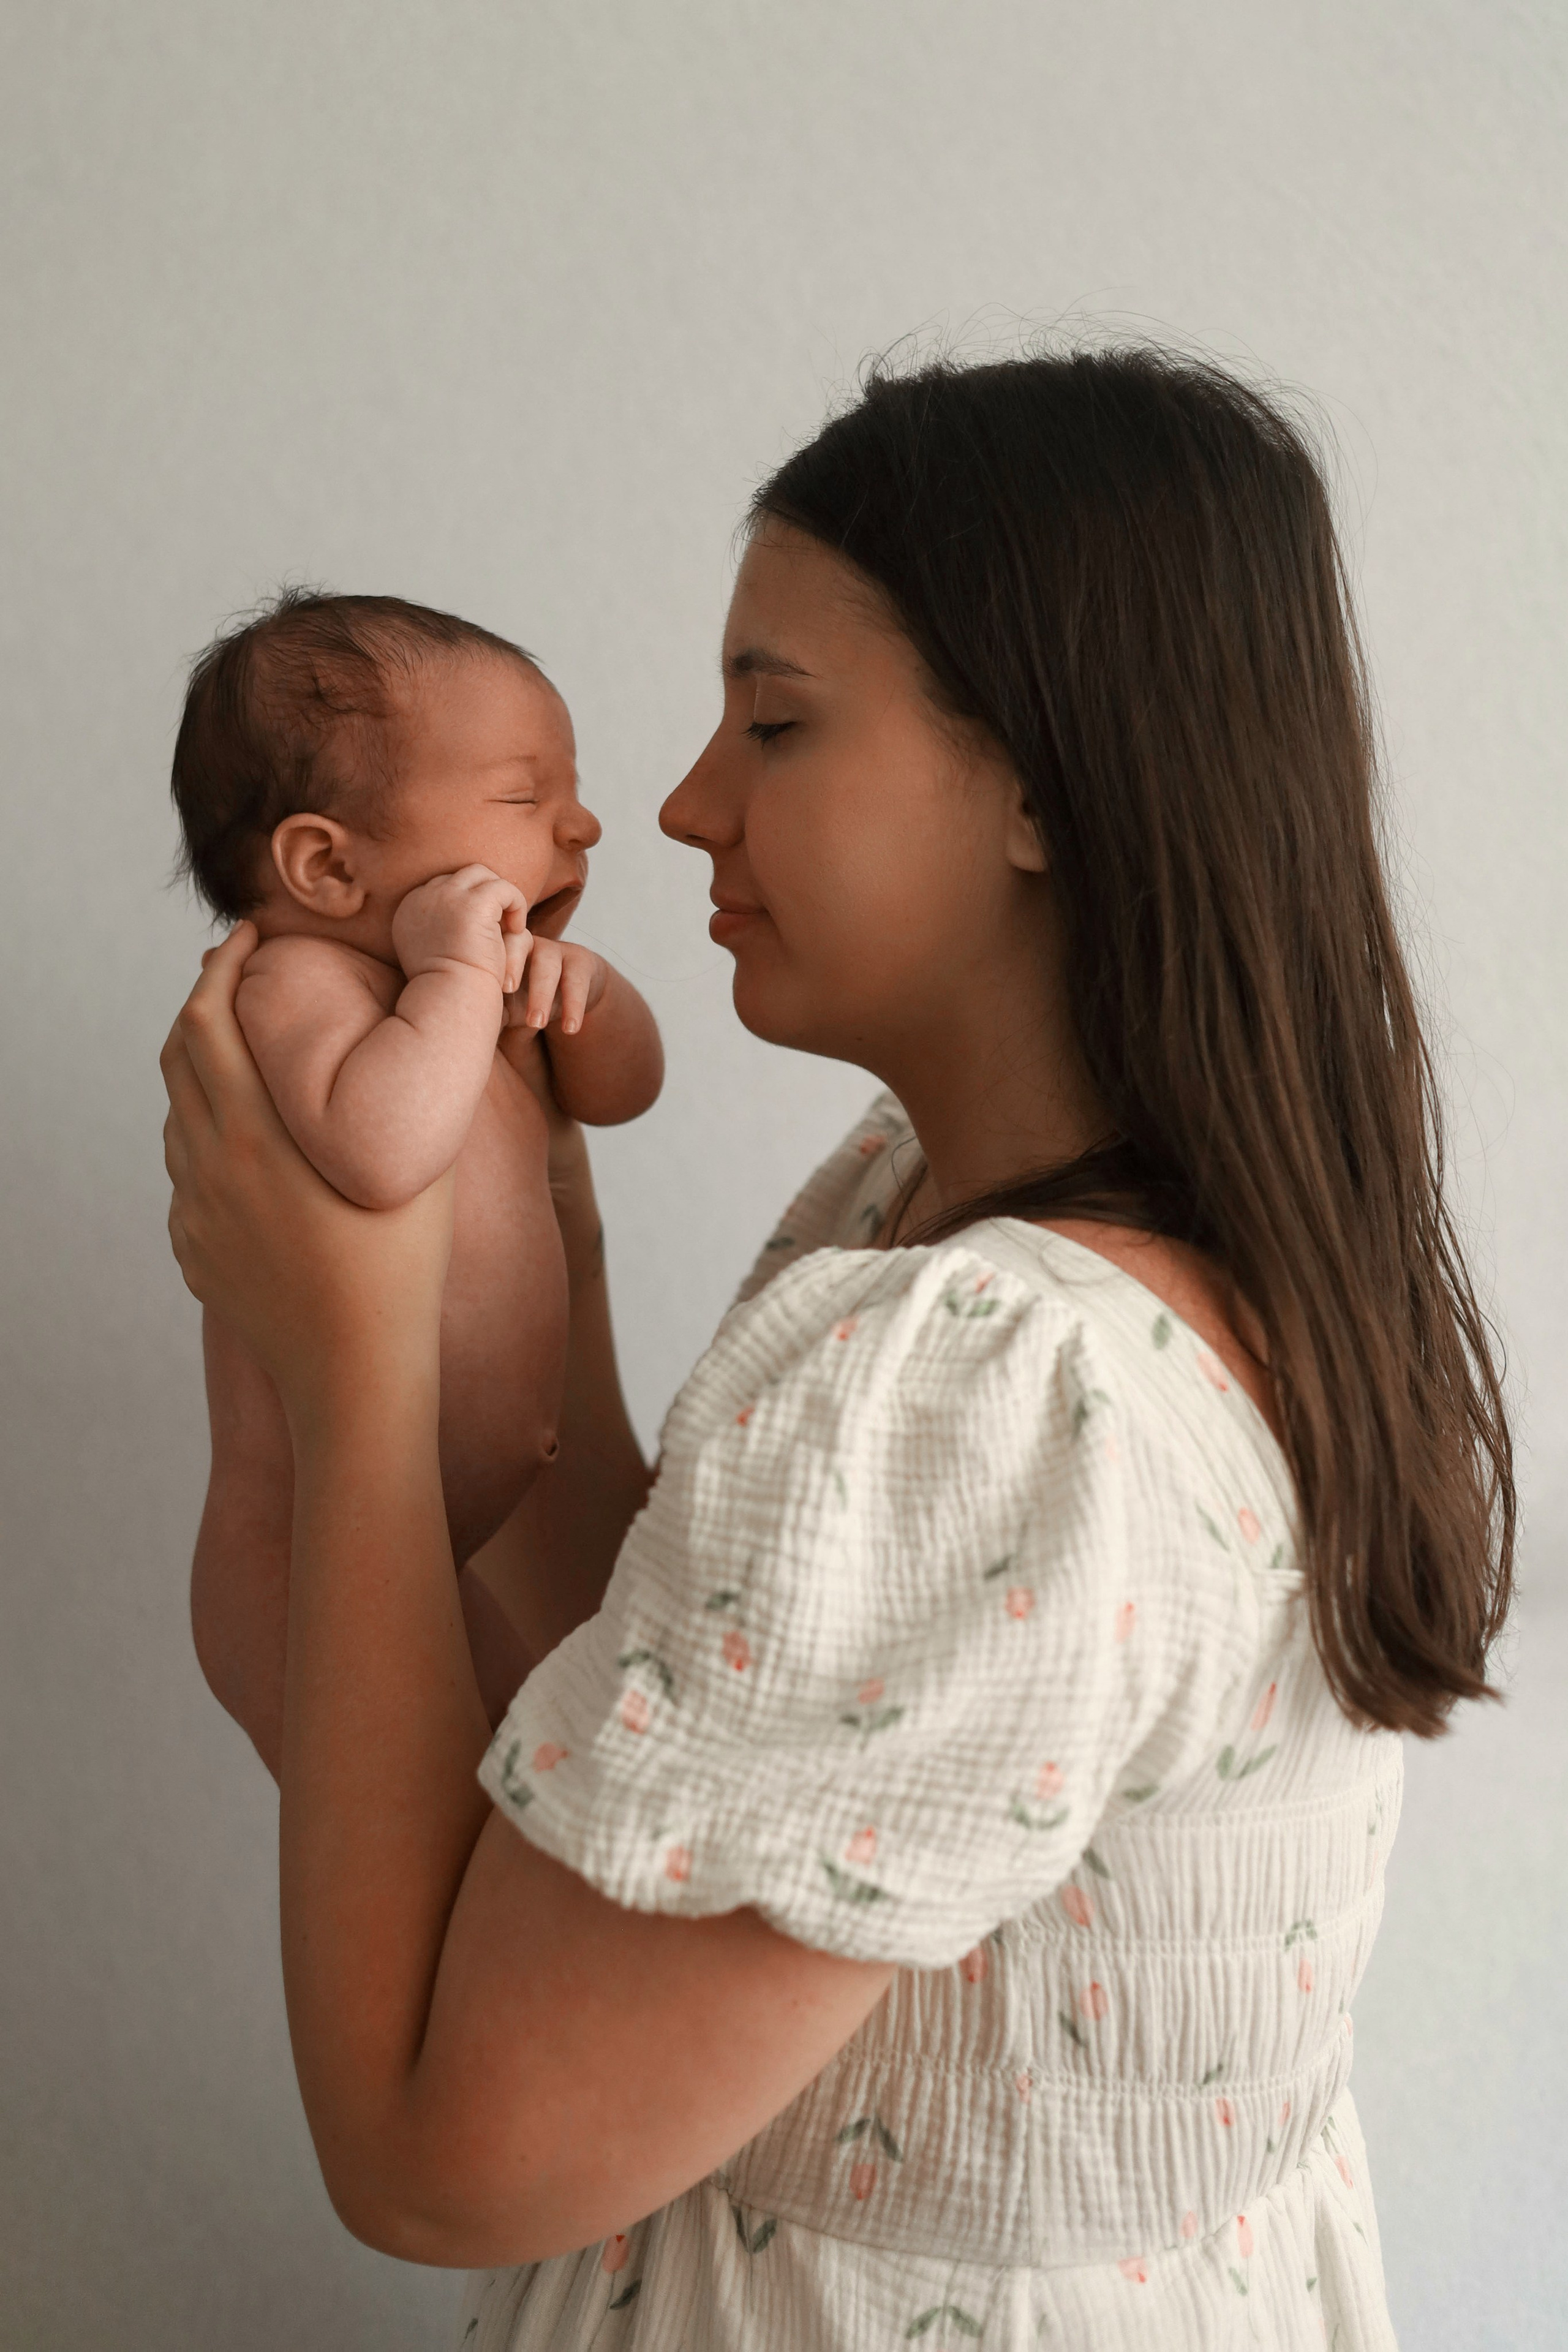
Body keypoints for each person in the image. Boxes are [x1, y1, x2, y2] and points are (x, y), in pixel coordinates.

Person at [160, 345, 1513, 2351]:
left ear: (1046, 789)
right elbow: (671, 1725)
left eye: (775, 723)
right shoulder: (956, 1220)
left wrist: (349, 1367)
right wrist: (548, 1266)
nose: (685, 805)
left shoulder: (987, 1381)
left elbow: (432, 2157)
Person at [170, 592, 663, 1771]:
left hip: (430, 1552)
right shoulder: (294, 990)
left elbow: (623, 1091)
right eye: (523, 797)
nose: (581, 824)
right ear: (327, 864)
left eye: (571, 791)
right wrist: (454, 975)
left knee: (527, 1800)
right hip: (299, 1567)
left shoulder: (460, 993)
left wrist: (582, 996)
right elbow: (381, 1149)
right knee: (424, 1825)